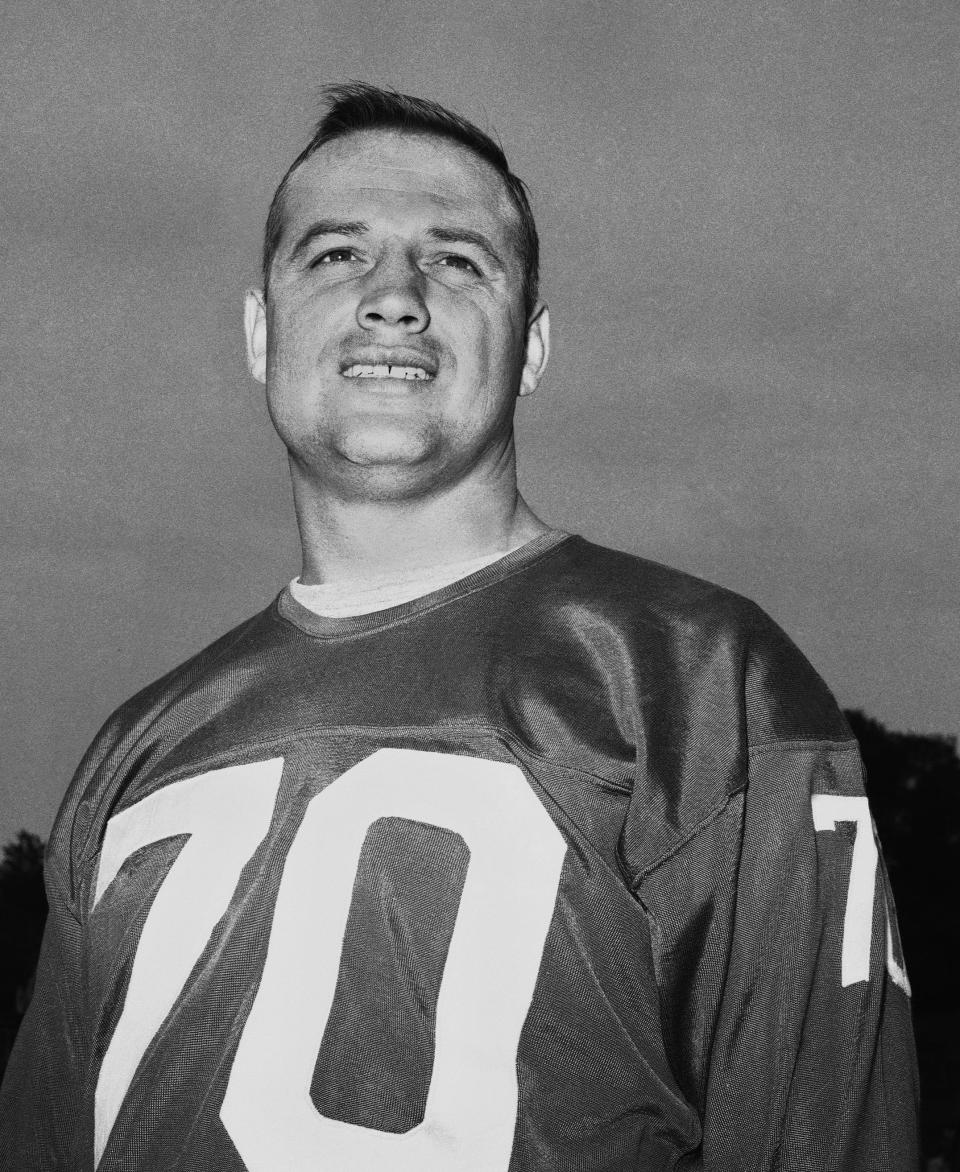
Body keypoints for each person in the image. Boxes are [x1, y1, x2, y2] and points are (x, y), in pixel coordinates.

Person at [0, 83, 919, 1171]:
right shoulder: (134, 753)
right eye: (336, 255)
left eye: (456, 261)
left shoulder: (700, 682)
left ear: (530, 346)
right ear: (260, 329)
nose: (394, 295)